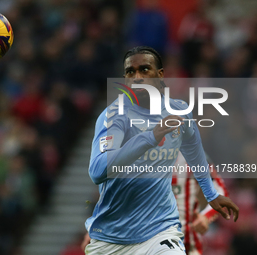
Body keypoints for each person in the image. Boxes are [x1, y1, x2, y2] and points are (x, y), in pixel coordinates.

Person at [84, 46, 239, 255]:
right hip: (111, 238)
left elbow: (194, 153)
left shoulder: (179, 111)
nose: (137, 77)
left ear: (160, 75)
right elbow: (97, 171)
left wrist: (211, 194)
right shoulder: (114, 116)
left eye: (144, 69)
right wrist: (150, 137)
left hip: (160, 231)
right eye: (131, 72)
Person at [81, 152, 229, 255]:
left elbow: (220, 191)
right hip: (142, 241)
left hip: (185, 242)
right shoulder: (137, 155)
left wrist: (205, 216)